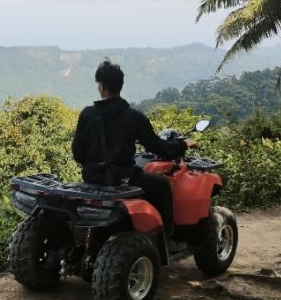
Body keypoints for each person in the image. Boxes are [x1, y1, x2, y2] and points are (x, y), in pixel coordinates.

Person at [71, 60, 195, 234]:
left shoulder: (87, 114)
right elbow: (158, 147)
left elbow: (77, 153)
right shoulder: (133, 117)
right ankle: (165, 236)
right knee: (162, 185)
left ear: (102, 86)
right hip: (122, 178)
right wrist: (182, 144)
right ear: (120, 85)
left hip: (91, 178)